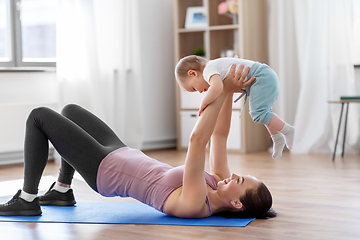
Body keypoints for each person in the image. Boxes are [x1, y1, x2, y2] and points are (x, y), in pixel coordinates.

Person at [0, 65, 275, 219]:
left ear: (237, 204)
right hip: (121, 152)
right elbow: (218, 135)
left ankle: (27, 199)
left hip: (106, 172)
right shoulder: (219, 183)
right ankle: (61, 191)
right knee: (71, 110)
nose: (233, 176)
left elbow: (197, 140)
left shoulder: (196, 203)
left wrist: (222, 88)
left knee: (39, 117)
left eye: (239, 181)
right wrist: (227, 88)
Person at [175, 55, 295, 159]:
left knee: (258, 114)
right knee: (264, 113)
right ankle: (277, 138)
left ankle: (288, 130)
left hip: (261, 77)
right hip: (264, 75)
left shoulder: (208, 70)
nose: (200, 92)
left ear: (193, 73)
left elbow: (217, 88)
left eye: (194, 89)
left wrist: (203, 103)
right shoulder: (214, 68)